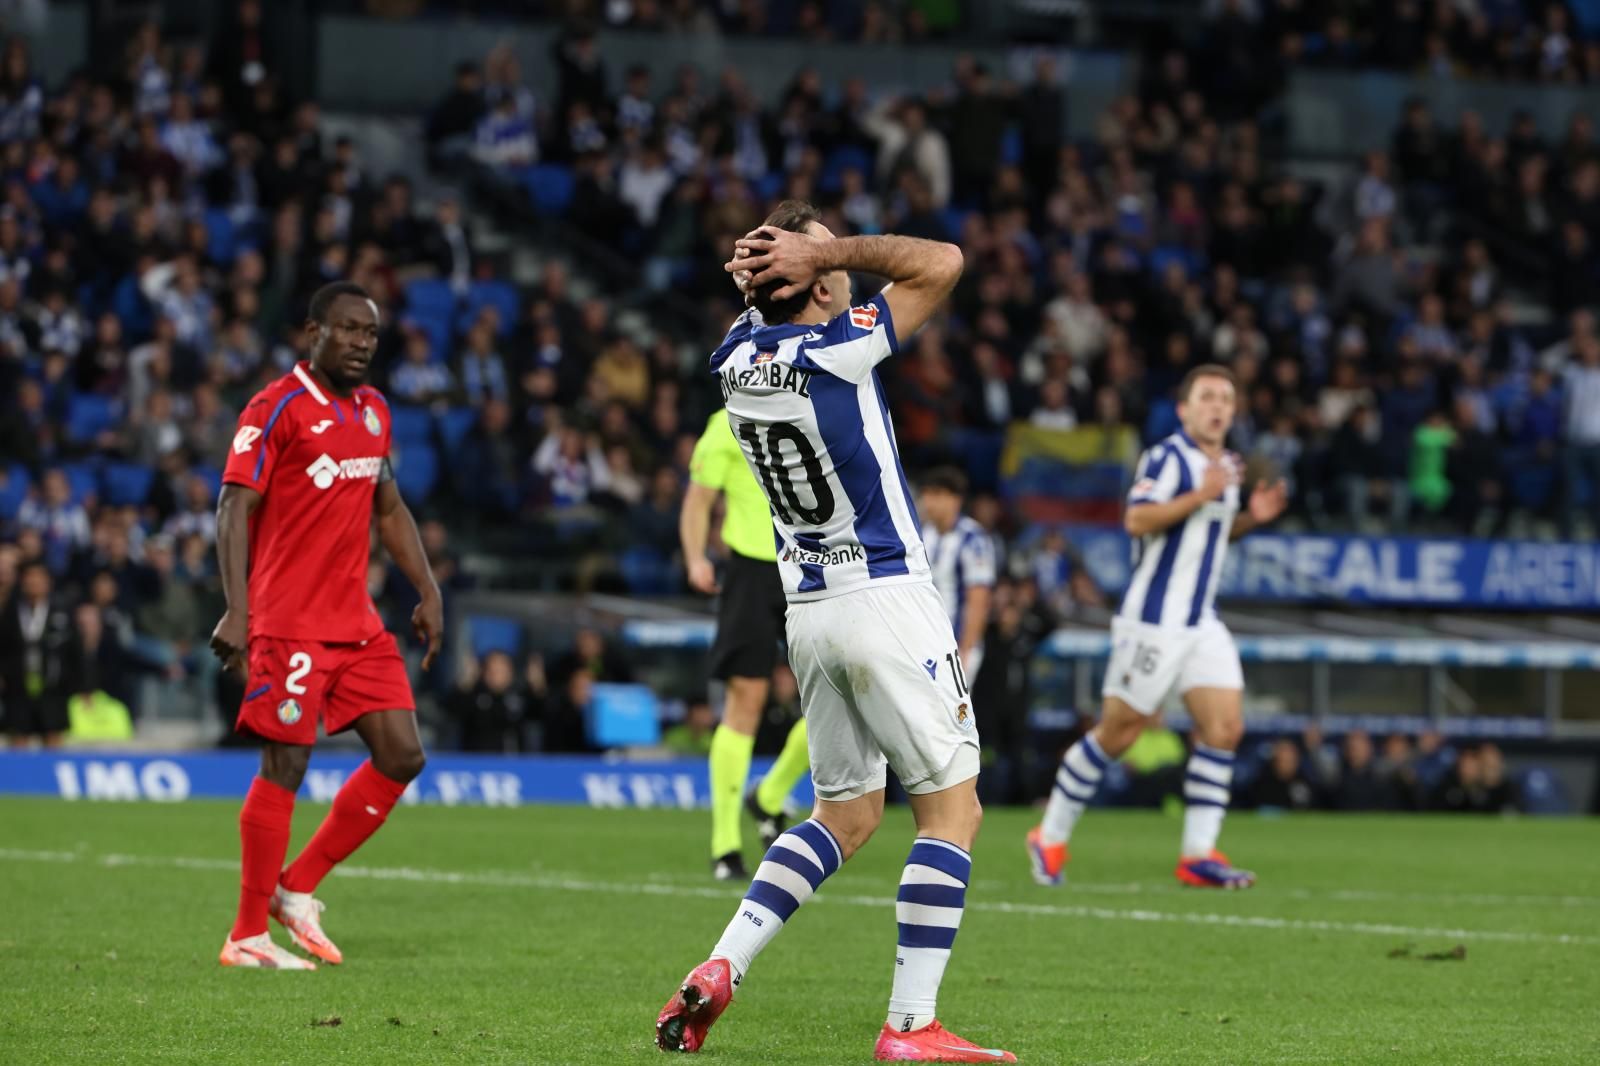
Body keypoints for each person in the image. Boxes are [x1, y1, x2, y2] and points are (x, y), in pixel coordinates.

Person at [655, 202, 1014, 1062]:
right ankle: (911, 1026)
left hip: (808, 612)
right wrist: (830, 247)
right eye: (831, 261)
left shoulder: (735, 358)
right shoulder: (839, 349)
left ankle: (719, 967)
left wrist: (781, 262)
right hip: (887, 597)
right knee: (952, 812)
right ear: (816, 280)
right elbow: (944, 261)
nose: (847, 265)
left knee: (844, 815)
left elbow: (764, 307)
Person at [210, 281, 444, 971]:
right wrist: (237, 608)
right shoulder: (275, 406)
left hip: (356, 621)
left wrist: (426, 588)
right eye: (347, 330)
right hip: (289, 621)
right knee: (286, 761)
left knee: (402, 754)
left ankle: (297, 887)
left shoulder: (374, 411)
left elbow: (390, 505)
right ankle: (247, 933)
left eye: (370, 333)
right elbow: (232, 504)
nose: (361, 343)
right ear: (312, 332)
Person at [1027, 365, 1288, 890]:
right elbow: (1137, 520)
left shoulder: (1231, 468)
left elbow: (1210, 536)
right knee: (1118, 734)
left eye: (1225, 399)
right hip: (1153, 621)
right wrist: (1201, 494)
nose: (1217, 406)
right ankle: (1050, 835)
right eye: (1207, 397)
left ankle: (1197, 854)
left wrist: (1250, 518)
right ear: (1186, 408)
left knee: (1224, 729)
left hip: (1200, 621)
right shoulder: (1168, 458)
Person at [682, 405, 813, 881]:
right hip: (753, 571)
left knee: (832, 700)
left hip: (812, 563)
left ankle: (771, 794)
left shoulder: (809, 405)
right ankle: (725, 845)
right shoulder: (727, 421)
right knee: (747, 699)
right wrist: (696, 557)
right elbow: (698, 499)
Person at [917, 466, 995, 681]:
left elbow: (978, 598)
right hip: (924, 641)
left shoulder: (973, 539)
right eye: (925, 494)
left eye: (936, 494)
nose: (928, 502)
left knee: (953, 712)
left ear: (955, 499)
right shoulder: (922, 535)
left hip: (956, 643)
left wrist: (967, 649)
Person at [0, 561, 72, 747]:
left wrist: (78, 684)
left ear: (48, 582)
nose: (34, 582)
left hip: (52, 687)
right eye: (30, 578)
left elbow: (74, 650)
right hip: (18, 687)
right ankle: (17, 776)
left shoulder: (61, 611)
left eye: (39, 578)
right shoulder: (11, 610)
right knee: (17, 739)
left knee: (53, 739)